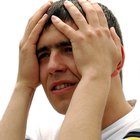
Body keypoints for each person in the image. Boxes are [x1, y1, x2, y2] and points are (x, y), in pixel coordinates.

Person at [0, 0, 140, 139]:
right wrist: (24, 85)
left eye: (69, 49)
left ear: (117, 59)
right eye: (43, 55)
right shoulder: (44, 135)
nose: (53, 66)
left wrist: (94, 74)